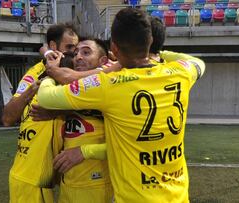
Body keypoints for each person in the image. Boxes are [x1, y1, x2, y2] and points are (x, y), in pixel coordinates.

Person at [37, 8, 205, 202]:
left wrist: (51, 71)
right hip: (179, 197)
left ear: (114, 50)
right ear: (149, 41)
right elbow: (197, 62)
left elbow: (46, 97)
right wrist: (154, 51)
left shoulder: (109, 84)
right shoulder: (181, 73)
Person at [3, 23, 79, 203]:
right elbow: (7, 118)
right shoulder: (35, 73)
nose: (73, 53)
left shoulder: (73, 73)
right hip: (30, 177)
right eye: (69, 47)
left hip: (60, 177)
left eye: (76, 48)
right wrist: (31, 91)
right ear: (54, 47)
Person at [42, 38, 113, 203]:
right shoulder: (73, 91)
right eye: (76, 53)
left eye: (86, 52)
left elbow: (124, 147)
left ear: (103, 61)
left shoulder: (112, 90)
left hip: (98, 188)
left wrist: (84, 151)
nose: (78, 57)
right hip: (68, 186)